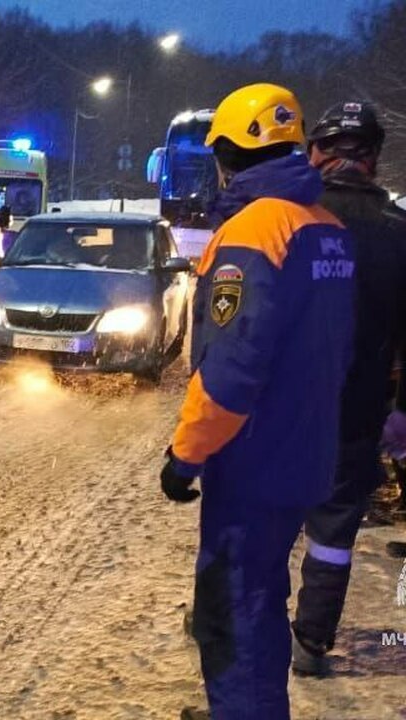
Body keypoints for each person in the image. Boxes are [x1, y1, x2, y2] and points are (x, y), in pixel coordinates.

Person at [160, 84, 356, 718]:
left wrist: (185, 455)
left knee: (232, 613)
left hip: (253, 466)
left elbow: (232, 371)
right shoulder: (326, 229)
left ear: (226, 155)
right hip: (305, 455)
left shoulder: (253, 232)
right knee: (261, 603)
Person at [290, 101, 406, 676]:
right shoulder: (399, 234)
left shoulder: (288, 220)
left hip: (285, 414)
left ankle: (239, 625)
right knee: (333, 532)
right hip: (358, 415)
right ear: (375, 161)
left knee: (264, 523)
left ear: (317, 154)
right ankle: (311, 643)